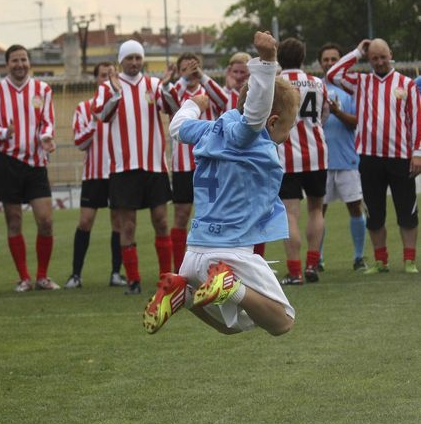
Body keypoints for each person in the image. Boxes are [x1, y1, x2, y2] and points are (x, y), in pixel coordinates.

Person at [143, 30, 298, 336]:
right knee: (282, 321)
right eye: (288, 128)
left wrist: (194, 102)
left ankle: (181, 293)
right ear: (273, 121)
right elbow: (255, 113)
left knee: (234, 325)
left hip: (194, 254)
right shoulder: (248, 134)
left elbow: (177, 126)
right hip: (231, 251)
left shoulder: (209, 131)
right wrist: (267, 62)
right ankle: (227, 284)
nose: (287, 136)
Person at [328, 38, 421, 273]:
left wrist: (417, 153)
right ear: (369, 60)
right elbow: (332, 74)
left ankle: (409, 259)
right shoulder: (361, 83)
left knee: (407, 210)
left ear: (391, 54)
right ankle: (381, 260)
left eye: (383, 57)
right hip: (369, 157)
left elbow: (418, 121)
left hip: (400, 157)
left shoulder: (407, 84)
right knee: (374, 211)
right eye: (374, 58)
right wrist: (358, 51)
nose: (379, 62)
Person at [93, 39, 178, 294]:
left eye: (138, 58)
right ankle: (133, 280)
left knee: (162, 222)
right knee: (127, 226)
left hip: (154, 166)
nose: (134, 62)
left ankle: (166, 279)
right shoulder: (108, 87)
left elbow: (174, 109)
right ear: (121, 60)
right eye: (129, 58)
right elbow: (101, 115)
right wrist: (117, 94)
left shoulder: (154, 85)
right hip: (123, 168)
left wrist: (167, 86)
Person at [0, 44, 59, 292]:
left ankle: (42, 276)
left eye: (23, 59)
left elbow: (48, 121)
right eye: (15, 60)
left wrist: (46, 137)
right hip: (8, 161)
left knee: (46, 221)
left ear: (29, 62)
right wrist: (6, 132)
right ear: (7, 64)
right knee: (14, 221)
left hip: (36, 162)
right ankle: (24, 278)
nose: (20, 64)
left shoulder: (43, 89)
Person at [64, 62, 126, 289]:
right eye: (103, 76)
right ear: (96, 80)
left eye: (111, 75)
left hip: (117, 172)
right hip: (93, 174)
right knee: (85, 221)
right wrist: (93, 120)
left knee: (118, 223)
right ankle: (76, 275)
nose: (107, 80)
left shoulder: (122, 106)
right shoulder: (83, 108)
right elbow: (80, 143)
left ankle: (116, 273)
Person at [162, 53, 226, 272]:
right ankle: (180, 270)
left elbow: (224, 100)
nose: (191, 72)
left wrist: (202, 76)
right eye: (185, 68)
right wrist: (182, 79)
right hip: (182, 165)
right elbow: (166, 101)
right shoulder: (177, 94)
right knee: (181, 215)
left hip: (208, 166)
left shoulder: (208, 92)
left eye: (194, 67)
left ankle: (214, 267)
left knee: (213, 214)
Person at [276, 37, 329, 285]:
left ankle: (295, 271)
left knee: (290, 213)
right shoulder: (317, 82)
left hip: (286, 156)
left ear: (279, 58)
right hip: (317, 152)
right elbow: (324, 114)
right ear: (302, 57)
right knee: (316, 209)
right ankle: (312, 264)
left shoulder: (276, 83)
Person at [317, 43, 367, 271]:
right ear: (320, 63)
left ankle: (358, 257)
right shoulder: (315, 89)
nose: (329, 63)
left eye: (334, 59)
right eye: (326, 59)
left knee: (355, 207)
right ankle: (315, 259)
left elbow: (358, 122)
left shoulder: (350, 90)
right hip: (321, 161)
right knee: (319, 211)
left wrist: (337, 112)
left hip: (347, 159)